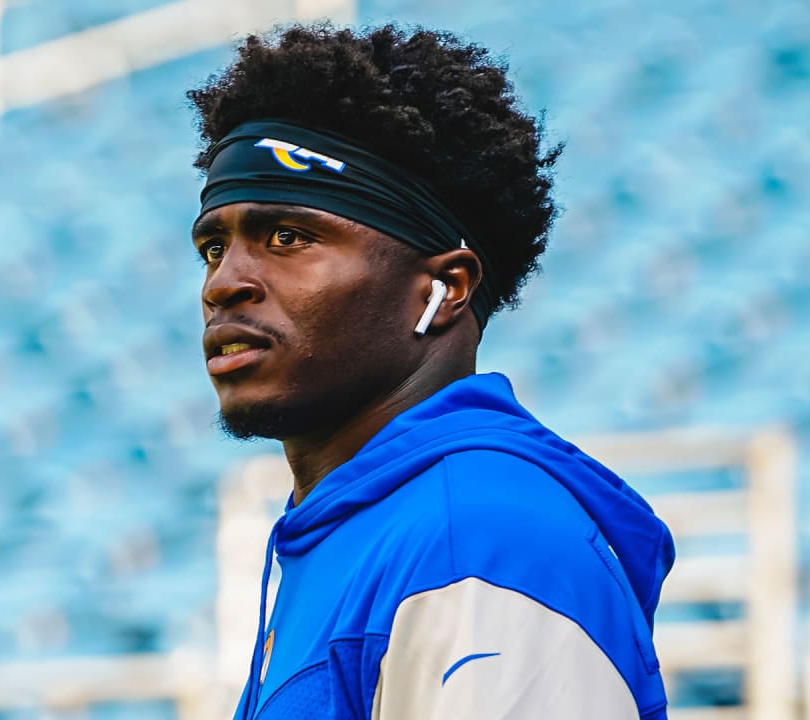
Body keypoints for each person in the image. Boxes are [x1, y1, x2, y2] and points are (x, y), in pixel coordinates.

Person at [187, 23, 674, 719]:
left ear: (444, 288)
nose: (223, 283)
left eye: (288, 238)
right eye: (212, 248)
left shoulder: (477, 538)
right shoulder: (357, 533)